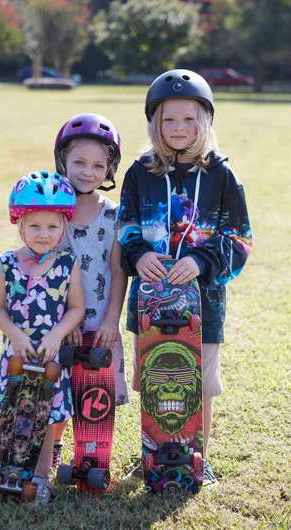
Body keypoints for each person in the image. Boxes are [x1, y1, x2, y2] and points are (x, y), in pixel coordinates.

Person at [117, 69, 253, 485]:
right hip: (150, 304)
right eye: (168, 120)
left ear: (205, 122)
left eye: (188, 119)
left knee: (199, 385)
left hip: (202, 306)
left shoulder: (222, 177)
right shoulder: (141, 173)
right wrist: (138, 257)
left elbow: (241, 240)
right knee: (155, 380)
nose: (178, 128)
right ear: (154, 123)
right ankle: (156, 456)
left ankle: (198, 458)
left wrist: (201, 261)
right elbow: (125, 230)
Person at [0, 170, 85, 503]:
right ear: (20, 226)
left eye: (52, 227)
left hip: (50, 359)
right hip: (16, 357)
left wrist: (58, 334)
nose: (44, 234)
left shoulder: (67, 264)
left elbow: (76, 309)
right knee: (14, 417)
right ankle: (8, 470)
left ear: (64, 228)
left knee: (43, 420)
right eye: (35, 226)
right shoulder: (6, 264)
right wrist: (14, 333)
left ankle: (40, 477)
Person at [52, 113, 129, 467]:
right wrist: (63, 325)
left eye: (99, 165)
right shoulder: (53, 212)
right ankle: (51, 450)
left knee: (91, 391)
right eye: (79, 162)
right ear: (62, 162)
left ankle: (91, 456)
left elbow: (117, 270)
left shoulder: (114, 215)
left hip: (100, 321)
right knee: (58, 388)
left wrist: (112, 319)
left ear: (109, 170)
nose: (87, 171)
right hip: (59, 323)